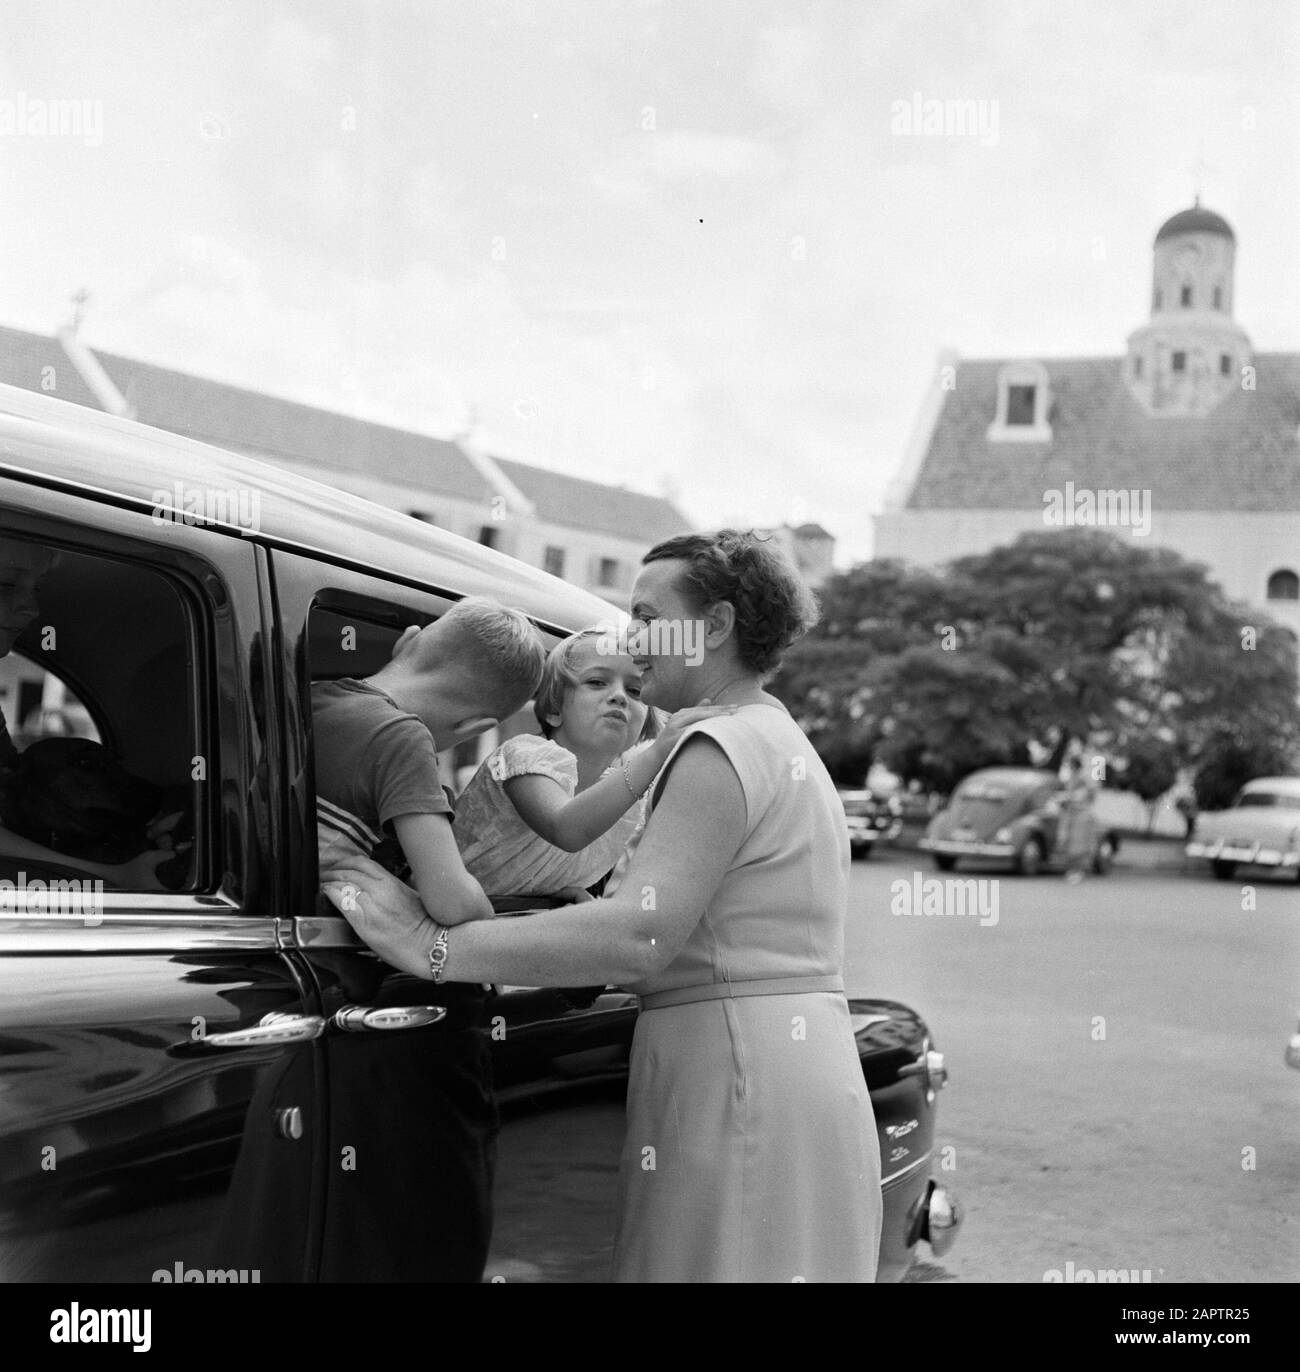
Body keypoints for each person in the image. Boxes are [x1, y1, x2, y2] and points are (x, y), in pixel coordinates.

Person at [323, 529, 884, 1282]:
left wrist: (436, 948)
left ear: (714, 626)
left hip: (736, 1065)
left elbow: (637, 936)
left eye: (649, 617)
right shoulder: (772, 736)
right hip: (781, 1055)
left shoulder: (716, 747)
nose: (634, 639)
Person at [312, 595, 547, 926]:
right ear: (475, 727)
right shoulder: (403, 738)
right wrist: (488, 912)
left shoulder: (313, 694)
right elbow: (453, 903)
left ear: (406, 639)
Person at [453, 626, 731, 899]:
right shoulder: (525, 755)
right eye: (597, 682)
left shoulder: (624, 802)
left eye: (635, 690)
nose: (619, 696)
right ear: (553, 710)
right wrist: (657, 753)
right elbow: (566, 828)